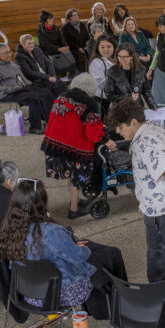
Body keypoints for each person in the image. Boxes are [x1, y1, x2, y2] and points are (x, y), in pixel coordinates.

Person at [0, 179, 126, 321]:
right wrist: (81, 248)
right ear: (41, 202)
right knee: (104, 255)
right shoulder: (50, 232)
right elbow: (78, 257)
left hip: (29, 294)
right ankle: (121, 302)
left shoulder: (8, 230)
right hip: (64, 293)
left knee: (100, 255)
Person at [107, 99, 165, 310]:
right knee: (158, 263)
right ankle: (161, 306)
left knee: (164, 268)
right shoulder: (154, 130)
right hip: (157, 211)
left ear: (134, 122)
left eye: (121, 127)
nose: (119, 132)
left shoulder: (145, 143)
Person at [41, 73, 109, 219]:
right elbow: (92, 132)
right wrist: (105, 136)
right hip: (73, 149)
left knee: (68, 175)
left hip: (53, 145)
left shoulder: (61, 97)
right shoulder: (89, 103)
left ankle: (76, 200)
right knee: (75, 177)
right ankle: (74, 209)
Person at [0, 42, 55, 134]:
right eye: (6, 53)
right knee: (33, 98)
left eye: (10, 52)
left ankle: (50, 120)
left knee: (45, 92)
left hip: (20, 89)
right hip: (7, 94)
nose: (9, 55)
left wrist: (30, 84)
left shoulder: (11, 63)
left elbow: (22, 77)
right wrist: (13, 88)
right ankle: (35, 127)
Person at [105, 42, 155, 108]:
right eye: (119, 56)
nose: (122, 59)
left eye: (125, 57)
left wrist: (152, 105)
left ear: (132, 57)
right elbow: (109, 95)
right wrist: (128, 97)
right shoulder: (112, 72)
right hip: (119, 109)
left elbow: (146, 91)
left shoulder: (141, 70)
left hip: (137, 107)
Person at [36, 10, 74, 75]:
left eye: (52, 18)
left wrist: (66, 45)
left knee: (71, 59)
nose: (53, 19)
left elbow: (61, 37)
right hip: (48, 51)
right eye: (50, 19)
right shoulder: (40, 30)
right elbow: (45, 44)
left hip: (59, 49)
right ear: (45, 21)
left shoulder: (55, 27)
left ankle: (69, 74)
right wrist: (58, 49)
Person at [87, 35, 116, 103]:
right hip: (104, 98)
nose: (105, 50)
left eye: (109, 46)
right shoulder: (96, 62)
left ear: (114, 47)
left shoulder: (117, 59)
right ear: (98, 48)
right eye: (102, 47)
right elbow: (102, 84)